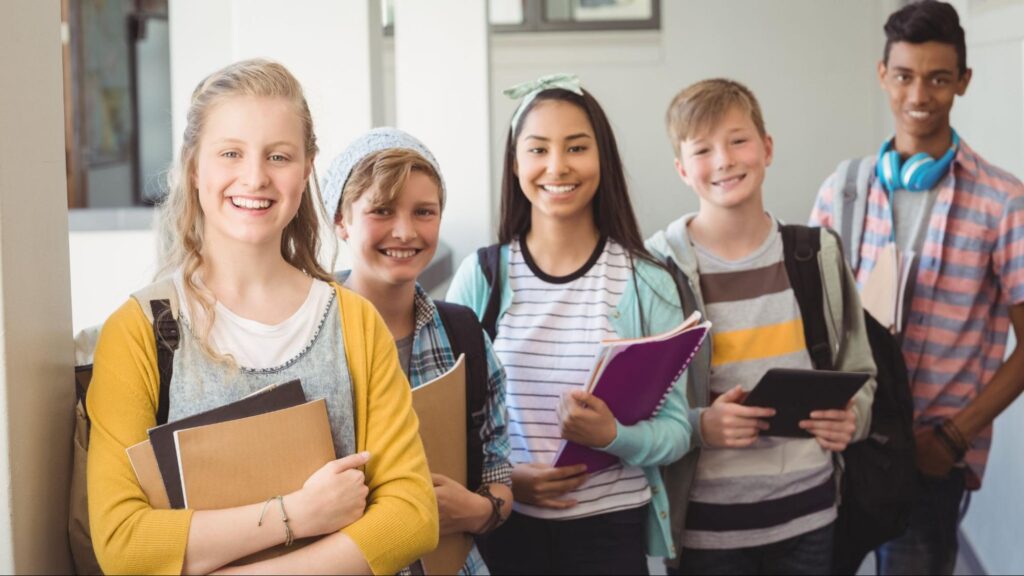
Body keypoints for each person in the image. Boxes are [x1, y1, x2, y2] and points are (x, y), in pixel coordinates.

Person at [86, 59, 437, 575]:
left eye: (278, 156)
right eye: (231, 153)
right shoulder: (138, 331)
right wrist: (296, 514)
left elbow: (411, 517)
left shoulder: (354, 323)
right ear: (194, 167)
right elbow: (122, 543)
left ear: (306, 168)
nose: (255, 177)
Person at [446, 74, 692, 575]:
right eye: (538, 149)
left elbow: (677, 430)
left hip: (611, 532)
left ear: (603, 159)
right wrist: (507, 478)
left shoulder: (649, 280)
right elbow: (444, 424)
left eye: (576, 147)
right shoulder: (481, 276)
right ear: (515, 164)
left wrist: (612, 436)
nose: (557, 166)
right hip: (504, 528)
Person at [809, 2, 1024, 573]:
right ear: (882, 74)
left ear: (963, 82)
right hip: (840, 444)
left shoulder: (1003, 202)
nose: (918, 95)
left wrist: (953, 439)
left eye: (938, 79)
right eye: (904, 76)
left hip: (931, 457)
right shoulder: (842, 189)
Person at [647, 78, 877, 575]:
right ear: (682, 169)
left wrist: (852, 418)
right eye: (703, 149)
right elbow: (640, 409)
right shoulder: (656, 268)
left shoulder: (819, 253)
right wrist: (699, 424)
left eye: (738, 140)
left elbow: (859, 369)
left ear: (766, 148)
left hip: (810, 517)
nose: (725, 160)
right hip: (707, 531)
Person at [320, 127, 514, 575]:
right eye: (382, 210)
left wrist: (477, 510)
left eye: (424, 212)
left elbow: (498, 473)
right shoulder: (303, 336)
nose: (405, 231)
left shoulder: (465, 332)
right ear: (341, 220)